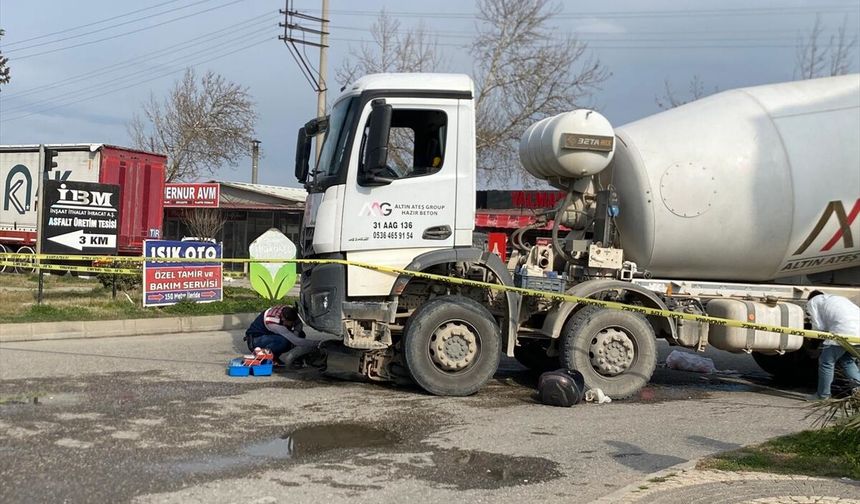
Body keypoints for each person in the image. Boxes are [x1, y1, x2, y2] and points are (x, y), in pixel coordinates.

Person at [806, 291, 860, 400]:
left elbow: (818, 328)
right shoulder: (837, 298)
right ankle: (859, 390)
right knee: (847, 360)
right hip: (857, 331)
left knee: (826, 362)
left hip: (844, 330)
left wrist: (813, 346)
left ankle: (823, 395)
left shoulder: (812, 302)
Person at [244, 305, 318, 368]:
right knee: (283, 341)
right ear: (283, 319)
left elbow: (298, 324)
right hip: (255, 340)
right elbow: (296, 341)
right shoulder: (274, 323)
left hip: (270, 335)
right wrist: (318, 343)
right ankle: (270, 358)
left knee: (300, 334)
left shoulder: (288, 311)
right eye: (291, 323)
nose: (293, 324)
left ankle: (297, 358)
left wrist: (296, 333)